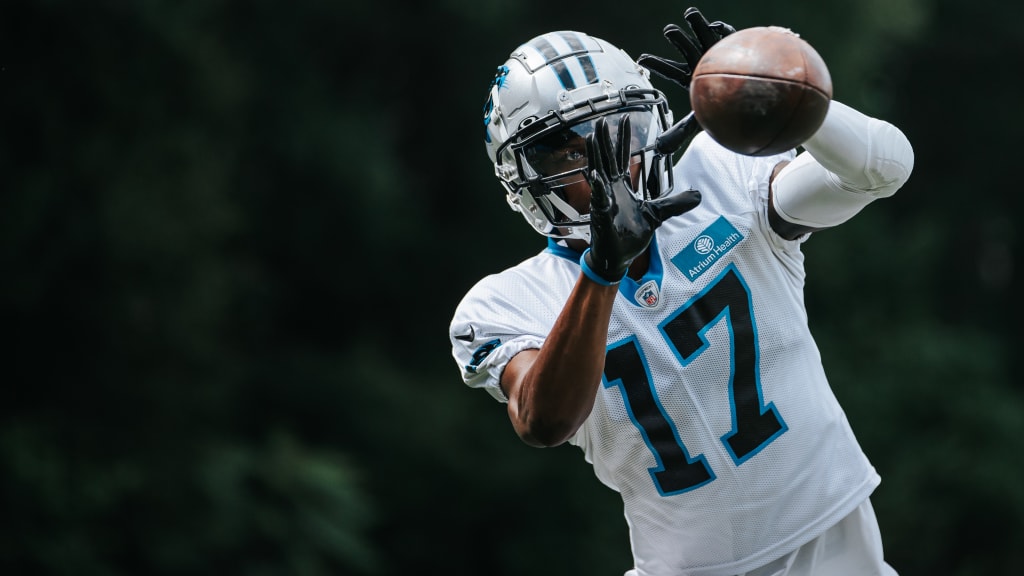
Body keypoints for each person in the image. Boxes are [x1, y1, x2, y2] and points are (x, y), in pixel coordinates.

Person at [449, 6, 914, 575]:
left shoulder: (722, 177)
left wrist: (781, 95)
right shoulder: (506, 303)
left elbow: (881, 170)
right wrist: (601, 271)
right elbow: (544, 421)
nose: (607, 166)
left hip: (832, 549)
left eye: (619, 132)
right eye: (571, 153)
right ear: (522, 179)